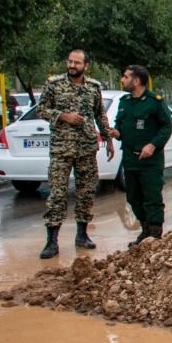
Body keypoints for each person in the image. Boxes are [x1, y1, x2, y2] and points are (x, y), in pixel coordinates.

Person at [36, 49, 114, 259]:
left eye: (76, 63)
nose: (72, 66)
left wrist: (108, 139)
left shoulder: (93, 87)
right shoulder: (54, 84)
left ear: (85, 66)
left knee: (86, 192)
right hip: (61, 149)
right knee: (58, 194)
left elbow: (100, 114)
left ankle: (82, 235)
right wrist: (63, 116)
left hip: (87, 147)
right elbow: (41, 109)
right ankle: (51, 242)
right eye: (70, 62)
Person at [107, 64, 172, 245]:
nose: (122, 80)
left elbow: (167, 127)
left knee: (152, 197)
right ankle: (145, 230)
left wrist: (152, 145)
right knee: (133, 197)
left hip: (150, 161)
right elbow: (121, 127)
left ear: (136, 81)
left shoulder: (155, 101)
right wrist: (116, 133)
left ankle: (155, 233)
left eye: (125, 77)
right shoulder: (125, 102)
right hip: (130, 159)